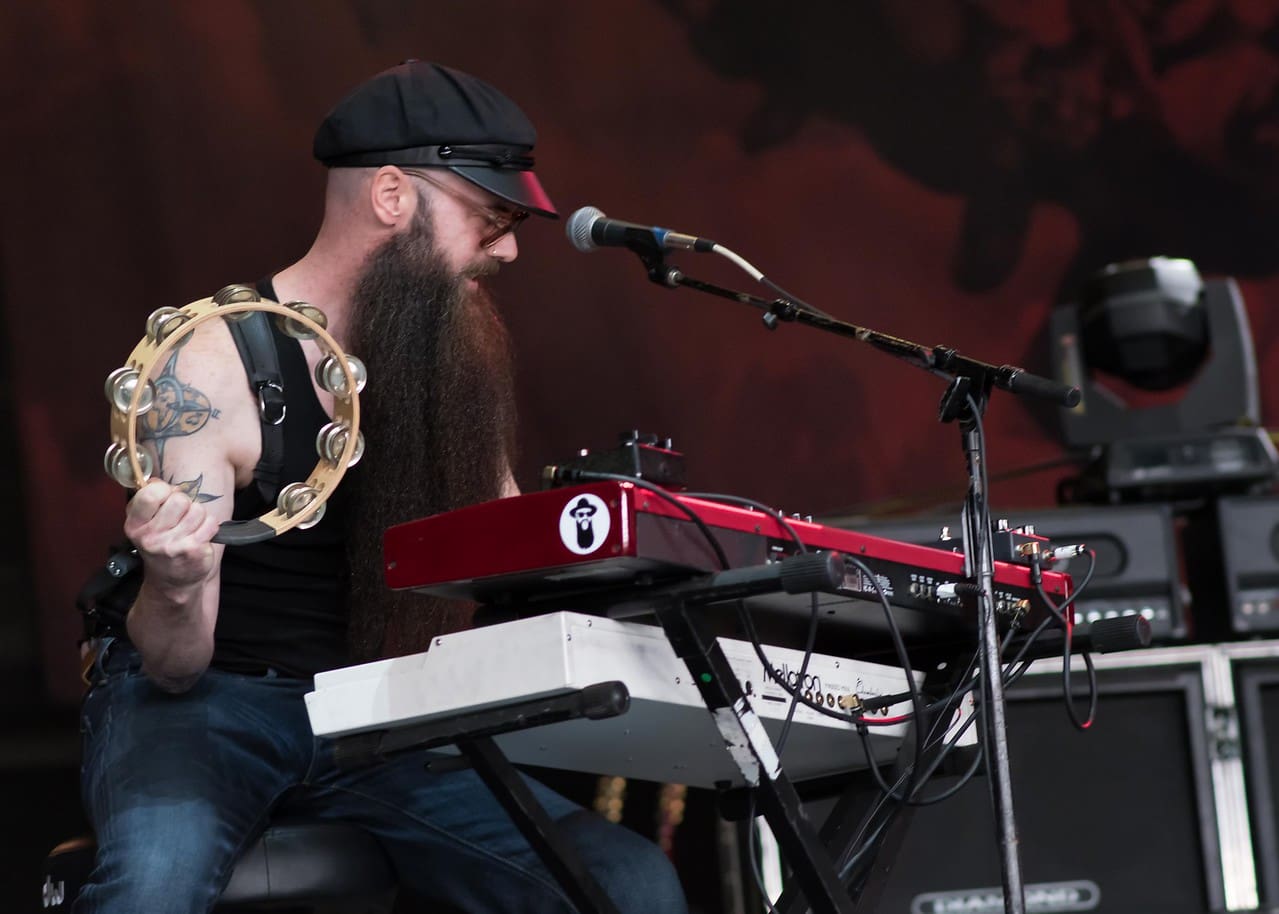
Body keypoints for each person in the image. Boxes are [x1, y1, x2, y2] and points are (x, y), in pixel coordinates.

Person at [76, 60, 689, 914]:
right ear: (393, 196)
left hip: (372, 710)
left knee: (627, 881)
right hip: (207, 706)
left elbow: (504, 545)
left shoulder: (446, 355)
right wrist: (175, 582)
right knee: (151, 890)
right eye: (491, 218)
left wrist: (643, 547)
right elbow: (176, 666)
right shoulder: (212, 367)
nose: (508, 248)